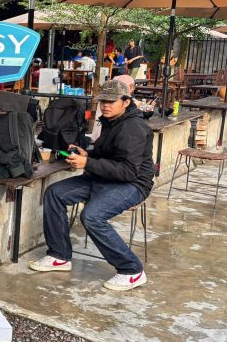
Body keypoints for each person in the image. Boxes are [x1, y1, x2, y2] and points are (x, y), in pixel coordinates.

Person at [30, 80, 154, 291]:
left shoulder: (133, 127)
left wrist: (87, 163)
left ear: (126, 102)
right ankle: (59, 255)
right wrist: (88, 154)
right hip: (105, 177)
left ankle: (132, 270)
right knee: (55, 193)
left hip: (132, 184)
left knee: (92, 216)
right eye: (102, 101)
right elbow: (109, 153)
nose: (105, 106)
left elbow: (128, 171)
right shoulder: (111, 121)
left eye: (111, 102)